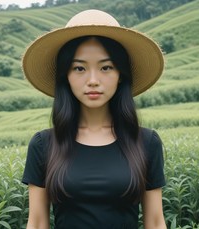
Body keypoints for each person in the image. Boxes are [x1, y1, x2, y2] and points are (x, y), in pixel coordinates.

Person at [22, 9, 167, 229]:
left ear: (120, 75)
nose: (92, 80)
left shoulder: (146, 142)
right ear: (66, 76)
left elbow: (155, 223)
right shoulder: (44, 145)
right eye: (79, 68)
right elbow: (37, 222)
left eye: (106, 67)